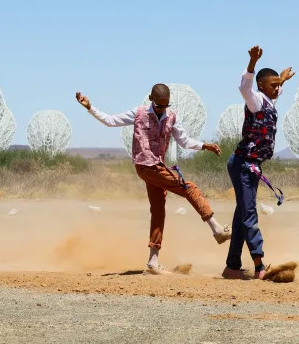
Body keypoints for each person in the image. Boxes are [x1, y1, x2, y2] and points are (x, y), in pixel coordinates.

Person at [75, 85, 231, 275]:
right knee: (189, 188)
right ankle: (217, 230)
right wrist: (90, 107)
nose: (162, 109)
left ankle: (153, 262)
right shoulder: (138, 113)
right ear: (151, 99)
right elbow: (110, 121)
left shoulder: (171, 116)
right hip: (145, 166)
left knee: (158, 211)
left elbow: (184, 140)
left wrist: (204, 146)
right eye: (158, 106)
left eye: (165, 106)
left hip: (157, 167)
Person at [221, 45, 294, 280]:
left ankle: (232, 266)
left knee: (242, 214)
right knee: (249, 214)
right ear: (261, 86)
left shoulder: (269, 101)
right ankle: (260, 265)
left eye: (278, 86)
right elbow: (244, 86)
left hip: (252, 165)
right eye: (273, 85)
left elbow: (276, 90)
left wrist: (281, 80)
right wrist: (252, 63)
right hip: (243, 164)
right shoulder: (255, 101)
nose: (278, 89)